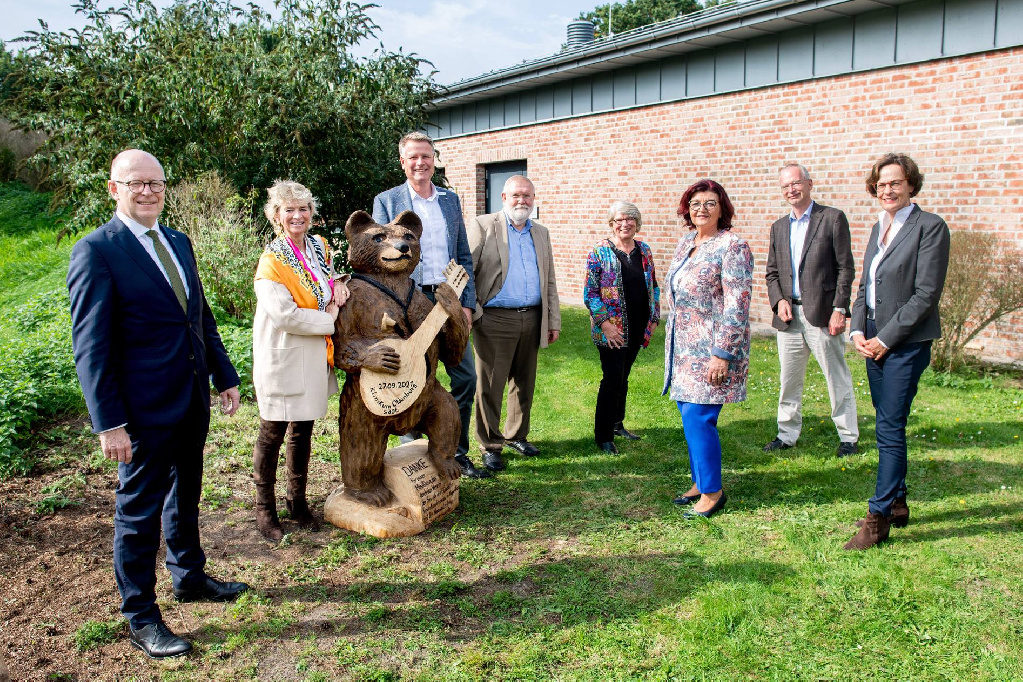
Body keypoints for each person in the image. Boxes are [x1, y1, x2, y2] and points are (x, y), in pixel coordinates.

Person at [67, 150, 249, 660]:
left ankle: (189, 577)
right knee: (139, 512)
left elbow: (198, 313)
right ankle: (141, 615)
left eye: (155, 183)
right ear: (114, 189)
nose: (147, 192)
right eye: (135, 184)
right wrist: (110, 423)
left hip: (190, 397)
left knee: (186, 492)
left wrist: (223, 372)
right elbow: (91, 347)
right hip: (141, 411)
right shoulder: (97, 252)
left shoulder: (177, 240)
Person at [844, 153, 950, 550]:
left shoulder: (930, 227)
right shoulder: (879, 226)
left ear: (911, 185)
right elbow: (864, 288)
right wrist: (857, 328)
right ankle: (899, 501)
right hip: (871, 338)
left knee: (888, 428)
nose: (887, 190)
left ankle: (877, 517)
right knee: (889, 420)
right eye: (881, 184)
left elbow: (926, 294)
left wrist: (885, 339)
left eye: (895, 182)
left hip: (904, 343)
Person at [372, 132, 488, 479]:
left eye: (426, 156)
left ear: (434, 159)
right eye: (413, 157)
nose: (420, 163)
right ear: (403, 162)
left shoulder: (450, 201)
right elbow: (380, 258)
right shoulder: (388, 201)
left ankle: (456, 450)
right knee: (412, 377)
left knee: (465, 376)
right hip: (410, 300)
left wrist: (466, 305)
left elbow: (463, 255)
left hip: (449, 298)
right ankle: (412, 456)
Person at [251, 180, 350, 542]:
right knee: (272, 432)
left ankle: (297, 502)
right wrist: (332, 320)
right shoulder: (273, 260)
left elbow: (327, 277)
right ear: (276, 216)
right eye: (289, 209)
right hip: (284, 354)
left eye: (304, 208)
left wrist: (339, 281)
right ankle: (265, 510)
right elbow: (286, 315)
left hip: (313, 356)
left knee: (303, 431)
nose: (298, 215)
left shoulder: (318, 246)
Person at [663, 180, 753, 519]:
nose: (702, 208)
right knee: (690, 417)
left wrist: (723, 353)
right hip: (684, 348)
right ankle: (700, 481)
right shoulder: (688, 241)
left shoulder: (732, 246)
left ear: (722, 208)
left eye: (710, 203)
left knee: (699, 418)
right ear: (687, 208)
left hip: (712, 349)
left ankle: (713, 492)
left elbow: (738, 304)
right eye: (696, 202)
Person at [764, 163, 859, 457]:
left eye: (796, 183)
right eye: (785, 186)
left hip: (822, 315)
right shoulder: (779, 227)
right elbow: (771, 273)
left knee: (836, 376)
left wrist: (840, 308)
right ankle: (786, 434)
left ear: (809, 184)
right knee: (788, 380)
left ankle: (848, 436)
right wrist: (779, 300)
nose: (791, 190)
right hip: (789, 317)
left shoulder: (831, 219)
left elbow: (846, 268)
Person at [466, 175, 560, 470]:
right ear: (503, 197)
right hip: (494, 318)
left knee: (524, 382)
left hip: (532, 317)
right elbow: (464, 270)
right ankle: (490, 443)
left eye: (528, 195)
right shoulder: (483, 225)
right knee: (490, 385)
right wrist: (470, 310)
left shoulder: (541, 233)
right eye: (517, 195)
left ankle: (516, 434)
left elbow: (550, 280)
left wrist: (552, 319)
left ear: (534, 199)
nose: (523, 201)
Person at [583, 200, 660, 454]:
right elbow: (590, 294)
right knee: (612, 379)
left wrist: (654, 318)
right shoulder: (599, 253)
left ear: (637, 223)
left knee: (624, 377)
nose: (624, 224)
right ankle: (603, 436)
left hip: (638, 326)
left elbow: (653, 286)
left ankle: (617, 424)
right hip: (612, 330)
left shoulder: (644, 251)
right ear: (611, 224)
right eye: (619, 220)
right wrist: (605, 324)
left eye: (630, 219)